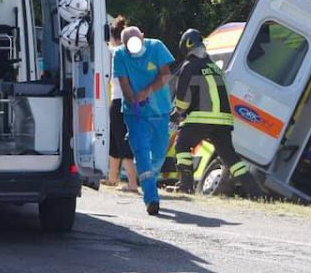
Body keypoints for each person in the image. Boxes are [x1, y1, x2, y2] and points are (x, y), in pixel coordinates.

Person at [170, 29, 263, 196]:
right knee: (230, 157)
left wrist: (178, 112)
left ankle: (185, 186)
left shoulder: (189, 67)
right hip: (224, 121)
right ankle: (255, 192)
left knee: (182, 145)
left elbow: (183, 99)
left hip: (202, 118)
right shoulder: (215, 67)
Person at [112, 26, 174, 215]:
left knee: (158, 152)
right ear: (123, 45)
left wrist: (146, 92)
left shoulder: (157, 47)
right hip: (135, 113)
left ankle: (150, 178)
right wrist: (132, 98)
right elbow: (123, 82)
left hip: (159, 111)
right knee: (141, 151)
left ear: (143, 37)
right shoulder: (120, 55)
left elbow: (165, 74)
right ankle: (151, 197)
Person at [101, 16, 139, 193]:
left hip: (119, 101)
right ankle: (112, 177)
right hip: (125, 101)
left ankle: (132, 183)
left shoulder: (118, 53)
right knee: (115, 140)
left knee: (122, 141)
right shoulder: (132, 54)